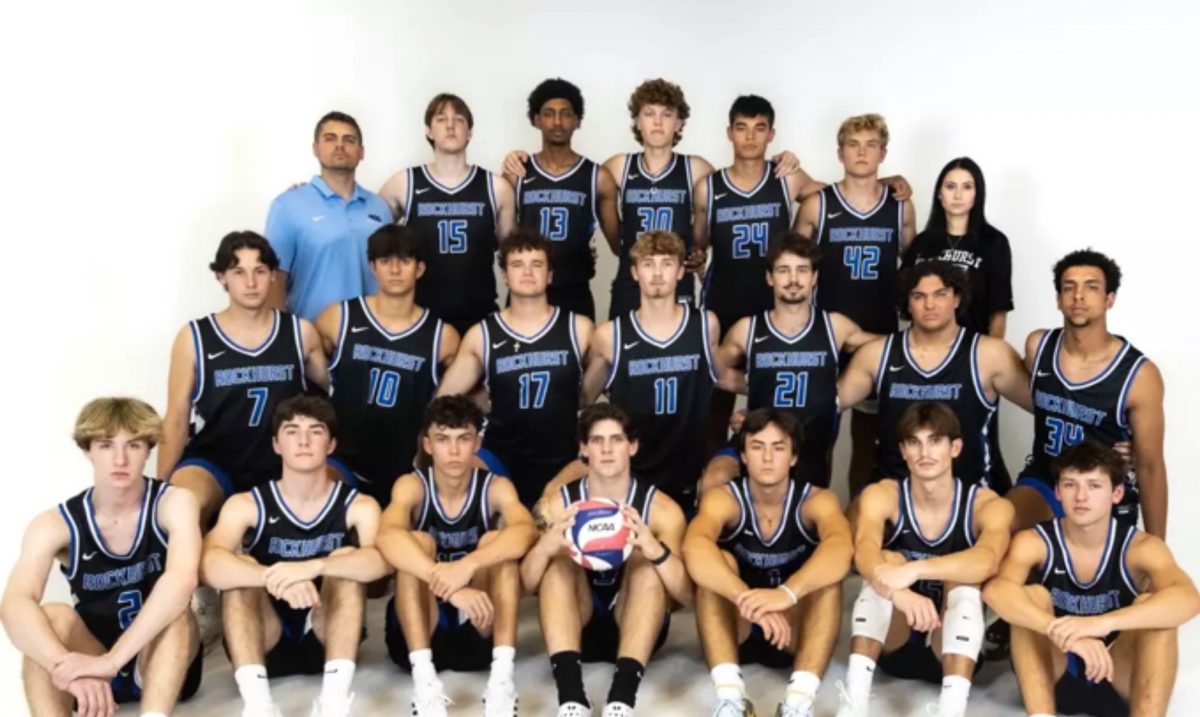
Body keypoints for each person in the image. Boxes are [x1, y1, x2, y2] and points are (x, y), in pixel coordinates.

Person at [1, 398, 202, 717]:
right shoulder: (54, 524)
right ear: (87, 450)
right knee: (51, 616)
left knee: (178, 613)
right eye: (106, 445)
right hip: (89, 658)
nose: (120, 459)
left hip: (159, 658)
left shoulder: (174, 502)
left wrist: (113, 661)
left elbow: (182, 581)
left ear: (148, 450)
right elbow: (14, 604)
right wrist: (63, 666)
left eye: (133, 445)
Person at [201, 395, 387, 717]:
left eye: (315, 431)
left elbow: (380, 564)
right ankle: (259, 706)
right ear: (276, 444)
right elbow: (208, 565)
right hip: (264, 637)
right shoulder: (247, 504)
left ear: (331, 445)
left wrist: (313, 566)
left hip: (326, 633)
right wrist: (272, 578)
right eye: (291, 431)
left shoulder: (359, 504)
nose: (303, 440)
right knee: (240, 568)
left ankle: (333, 703)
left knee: (347, 560)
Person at [984, 441, 1200, 717]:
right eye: (1071, 485)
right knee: (1031, 596)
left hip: (1117, 673)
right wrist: (1063, 633)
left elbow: (1189, 599)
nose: (1081, 496)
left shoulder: (1141, 547)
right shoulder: (1035, 541)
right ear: (1057, 492)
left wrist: (1099, 624)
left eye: (1094, 486)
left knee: (1156, 611)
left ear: (1117, 493)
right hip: (1058, 671)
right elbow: (996, 592)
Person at [839, 402, 1013, 717]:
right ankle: (853, 704)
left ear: (955, 448)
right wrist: (899, 591)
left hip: (950, 646)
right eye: (914, 442)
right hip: (894, 640)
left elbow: (987, 561)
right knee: (886, 558)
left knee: (964, 573)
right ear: (903, 451)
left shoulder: (986, 504)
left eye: (935, 441)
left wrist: (914, 570)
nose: (924, 452)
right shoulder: (884, 495)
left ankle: (951, 710)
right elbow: (863, 551)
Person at [521, 403, 692, 717]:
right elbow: (524, 586)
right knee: (556, 564)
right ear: (584, 449)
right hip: (575, 626)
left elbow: (686, 595)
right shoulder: (557, 506)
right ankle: (572, 699)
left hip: (636, 623)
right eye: (597, 441)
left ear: (633, 447)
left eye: (616, 440)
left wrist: (655, 550)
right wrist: (545, 547)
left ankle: (621, 700)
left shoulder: (662, 509)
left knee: (647, 566)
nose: (607, 449)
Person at [684, 409, 852, 717]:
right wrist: (743, 597)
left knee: (828, 577)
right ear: (744, 456)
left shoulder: (816, 500)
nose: (767, 457)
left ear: (793, 457)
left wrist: (786, 594)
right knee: (716, 562)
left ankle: (799, 702)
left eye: (778, 448)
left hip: (791, 627)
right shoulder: (725, 498)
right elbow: (694, 548)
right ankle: (730, 699)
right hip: (740, 623)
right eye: (757, 446)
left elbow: (842, 550)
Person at [376, 396, 536, 717]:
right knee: (415, 543)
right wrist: (451, 586)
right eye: (442, 439)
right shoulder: (412, 485)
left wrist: (468, 566)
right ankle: (425, 684)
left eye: (463, 439)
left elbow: (526, 531)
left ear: (476, 443)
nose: (453, 451)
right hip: (421, 627)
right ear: (427, 444)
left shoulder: (495, 486)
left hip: (478, 624)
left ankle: (501, 681)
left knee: (498, 542)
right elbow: (386, 536)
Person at [159, 231, 329, 524]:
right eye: (239, 272)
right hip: (214, 460)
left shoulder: (300, 333)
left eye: (260, 271)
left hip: (283, 462)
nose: (251, 283)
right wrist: (159, 489)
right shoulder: (195, 337)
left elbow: (330, 399)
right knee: (181, 505)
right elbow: (175, 417)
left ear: (273, 275)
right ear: (222, 277)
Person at [793, 113, 917, 497]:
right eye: (853, 145)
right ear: (840, 152)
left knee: (869, 439)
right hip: (825, 335)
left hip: (878, 334)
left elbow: (914, 272)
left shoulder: (900, 207)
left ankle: (855, 522)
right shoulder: (818, 205)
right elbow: (793, 270)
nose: (861, 152)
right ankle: (812, 523)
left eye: (870, 145)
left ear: (883, 152)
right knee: (816, 438)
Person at [574, 230, 740, 507]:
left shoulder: (704, 325)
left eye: (666, 263)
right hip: (631, 475)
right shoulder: (611, 336)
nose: (657, 273)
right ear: (635, 272)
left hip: (687, 471)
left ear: (679, 271)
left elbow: (724, 378)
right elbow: (582, 398)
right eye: (648, 264)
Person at [1009, 249, 1167, 537]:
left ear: (1109, 299)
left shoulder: (1139, 376)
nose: (1078, 296)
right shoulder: (1039, 347)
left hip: (1102, 488)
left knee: (1091, 575)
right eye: (1069, 287)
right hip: (1046, 479)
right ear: (1058, 299)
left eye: (1091, 287)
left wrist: (1157, 546)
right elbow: (1037, 399)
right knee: (999, 524)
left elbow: (1151, 466)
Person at [838, 261, 1031, 493]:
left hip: (969, 496)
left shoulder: (990, 354)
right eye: (918, 296)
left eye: (940, 294)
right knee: (853, 520)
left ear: (957, 299)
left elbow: (1047, 405)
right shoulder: (877, 354)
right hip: (894, 495)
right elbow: (825, 404)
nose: (930, 304)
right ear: (908, 304)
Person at [705, 233, 876, 490]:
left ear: (814, 277)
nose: (794, 280)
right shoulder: (747, 329)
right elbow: (712, 370)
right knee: (715, 478)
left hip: (809, 445)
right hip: (759, 440)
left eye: (802, 270)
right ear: (770, 277)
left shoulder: (835, 326)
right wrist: (755, 383)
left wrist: (838, 391)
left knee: (812, 514)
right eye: (784, 270)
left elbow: (884, 348)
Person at [437, 229, 592, 507]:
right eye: (517, 265)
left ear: (550, 274)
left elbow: (597, 392)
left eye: (537, 264)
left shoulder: (579, 329)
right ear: (505, 276)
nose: (528, 272)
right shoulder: (483, 334)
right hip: (501, 457)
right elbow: (444, 401)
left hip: (563, 457)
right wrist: (483, 401)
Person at [314, 224, 459, 507]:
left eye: (404, 261)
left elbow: (462, 396)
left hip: (405, 463)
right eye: (385, 261)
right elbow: (314, 369)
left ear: (419, 269)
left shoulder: (443, 337)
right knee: (322, 498)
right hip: (344, 456)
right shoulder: (339, 318)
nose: (394, 270)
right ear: (372, 267)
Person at [376, 93, 517, 335]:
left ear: (470, 132)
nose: (450, 125)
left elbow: (514, 253)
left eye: (459, 119)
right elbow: (368, 235)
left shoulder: (496, 187)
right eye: (441, 119)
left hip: (479, 316)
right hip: (419, 317)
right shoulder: (404, 183)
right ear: (429, 131)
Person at [502, 78, 619, 320]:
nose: (557, 122)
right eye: (549, 114)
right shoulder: (518, 174)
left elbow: (620, 244)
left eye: (565, 114)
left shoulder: (598, 177)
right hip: (525, 291)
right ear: (536, 120)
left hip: (574, 290)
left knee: (578, 357)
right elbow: (505, 241)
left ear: (577, 121)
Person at [265, 111, 392, 321]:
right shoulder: (288, 206)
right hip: (311, 339)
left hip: (370, 342)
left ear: (361, 152)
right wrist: (284, 340)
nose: (340, 145)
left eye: (349, 140)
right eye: (330, 138)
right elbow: (274, 280)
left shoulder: (379, 207)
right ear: (315, 148)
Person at [902, 157, 1013, 338]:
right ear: (939, 193)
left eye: (967, 187)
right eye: (950, 187)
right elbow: (903, 297)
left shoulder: (993, 242)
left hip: (972, 348)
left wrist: (992, 356)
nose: (958, 195)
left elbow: (998, 311)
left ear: (978, 194)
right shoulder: (922, 243)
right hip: (924, 349)